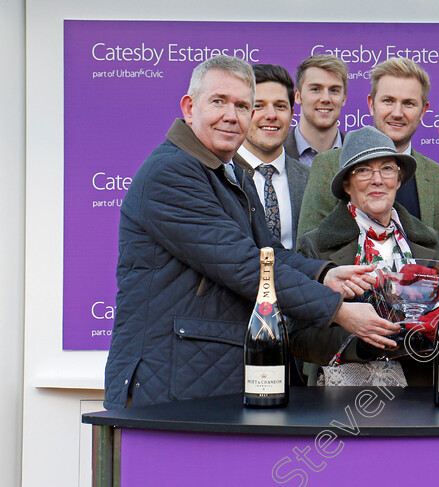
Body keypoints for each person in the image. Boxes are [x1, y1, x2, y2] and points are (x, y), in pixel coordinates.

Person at [104, 55, 400, 409]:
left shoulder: (230, 173)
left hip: (207, 374)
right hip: (169, 383)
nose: (232, 115)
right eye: (219, 102)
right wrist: (338, 310)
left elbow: (270, 254)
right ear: (189, 107)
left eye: (243, 105)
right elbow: (245, 266)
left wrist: (325, 274)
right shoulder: (171, 173)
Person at [293, 126, 439, 386]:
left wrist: (427, 334)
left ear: (398, 179)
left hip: (417, 391)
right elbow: (298, 338)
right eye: (363, 170)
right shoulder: (316, 246)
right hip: (342, 396)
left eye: (387, 168)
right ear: (347, 186)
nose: (377, 180)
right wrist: (360, 346)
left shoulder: (428, 242)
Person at [298, 57, 439, 246]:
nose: (397, 113)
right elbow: (309, 250)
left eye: (408, 103)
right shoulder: (329, 165)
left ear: (423, 111)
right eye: (388, 101)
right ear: (372, 104)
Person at [236, 63, 309, 249]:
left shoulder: (310, 180)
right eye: (259, 106)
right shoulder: (219, 174)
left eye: (280, 106)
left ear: (292, 114)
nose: (271, 115)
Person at [284, 55, 348, 166]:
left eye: (334, 90)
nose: (325, 99)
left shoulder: (361, 156)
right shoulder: (275, 152)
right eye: (315, 89)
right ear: (298, 96)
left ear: (344, 99)